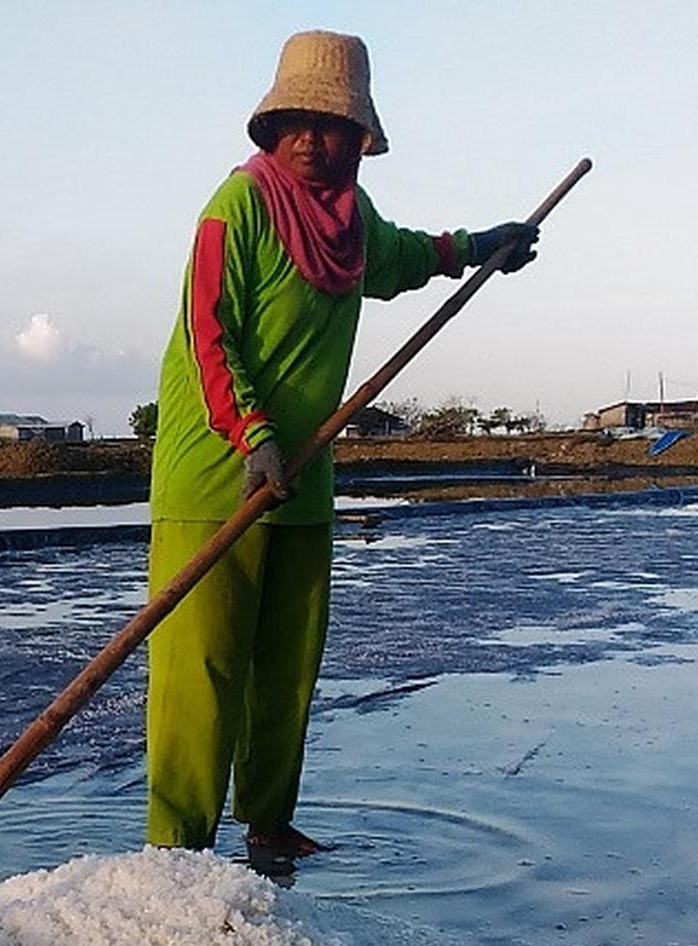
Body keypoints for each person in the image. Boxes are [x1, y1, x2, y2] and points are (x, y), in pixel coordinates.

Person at [147, 29, 537, 859]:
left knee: (286, 669)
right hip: (220, 471)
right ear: (272, 125)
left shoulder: (354, 223)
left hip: (305, 477)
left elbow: (405, 256)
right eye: (297, 121)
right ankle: (175, 852)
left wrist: (480, 248)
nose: (310, 140)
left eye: (330, 126)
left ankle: (268, 823)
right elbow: (210, 336)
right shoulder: (237, 208)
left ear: (360, 139)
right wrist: (254, 437)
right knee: (202, 673)